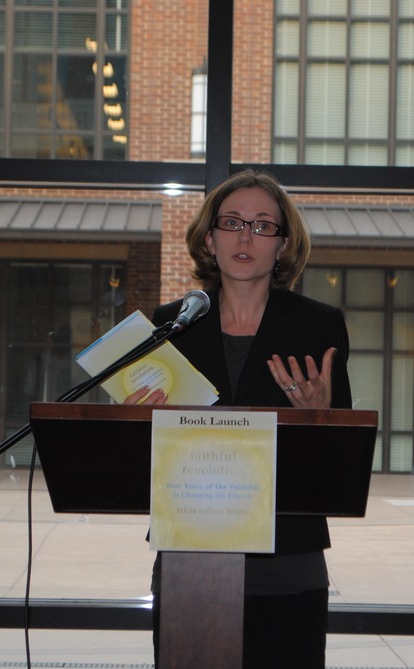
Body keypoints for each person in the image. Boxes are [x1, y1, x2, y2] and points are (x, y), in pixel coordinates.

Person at [128, 168, 352, 668]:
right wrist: (137, 424)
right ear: (209, 240)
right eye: (231, 223)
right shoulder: (171, 326)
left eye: (262, 225)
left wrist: (320, 417)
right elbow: (145, 456)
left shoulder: (318, 325)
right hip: (190, 554)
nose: (245, 237)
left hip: (287, 558)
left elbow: (342, 464)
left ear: (283, 245)